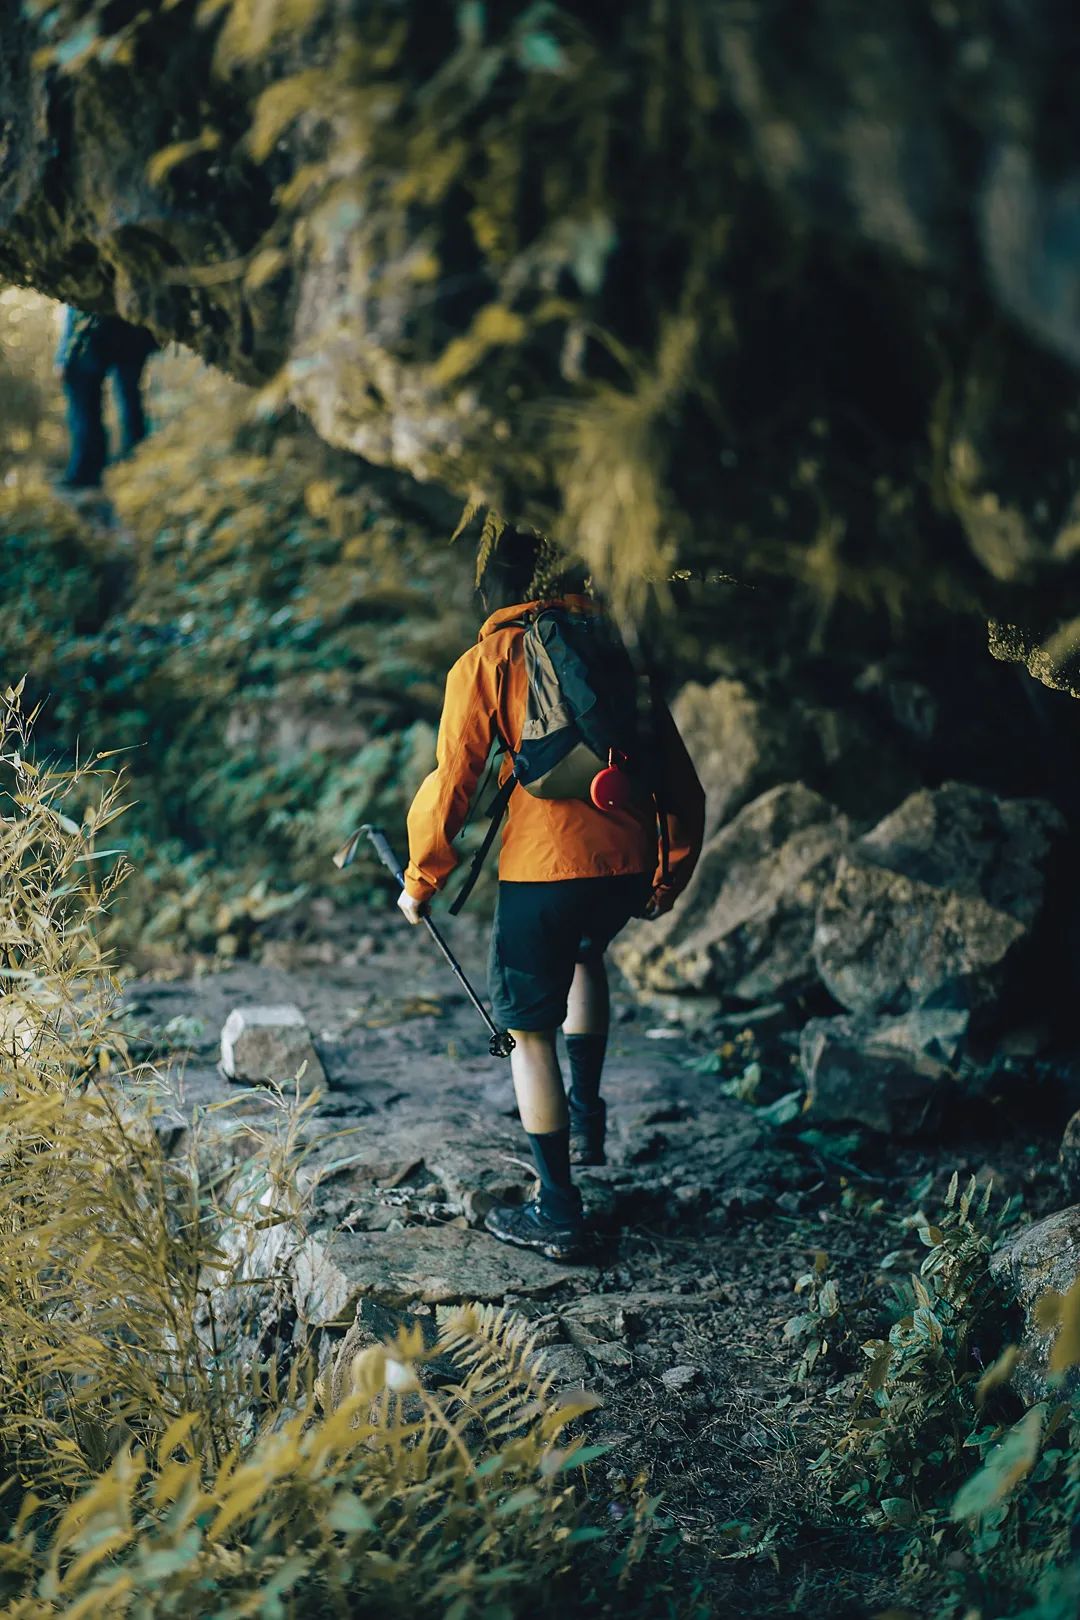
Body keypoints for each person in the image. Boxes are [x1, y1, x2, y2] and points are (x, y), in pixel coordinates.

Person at [397, 529, 705, 1260]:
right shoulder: (613, 650)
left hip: (545, 871)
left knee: (529, 1029)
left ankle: (558, 1211)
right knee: (586, 957)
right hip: (626, 863)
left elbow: (453, 785)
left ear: (494, 589)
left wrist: (421, 880)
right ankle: (589, 1119)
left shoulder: (488, 659)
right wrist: (668, 873)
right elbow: (680, 777)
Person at [55, 307, 158, 488]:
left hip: (101, 333)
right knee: (129, 397)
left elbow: (77, 310)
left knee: (89, 401)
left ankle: (90, 472)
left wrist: (64, 356)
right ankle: (135, 462)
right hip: (129, 332)